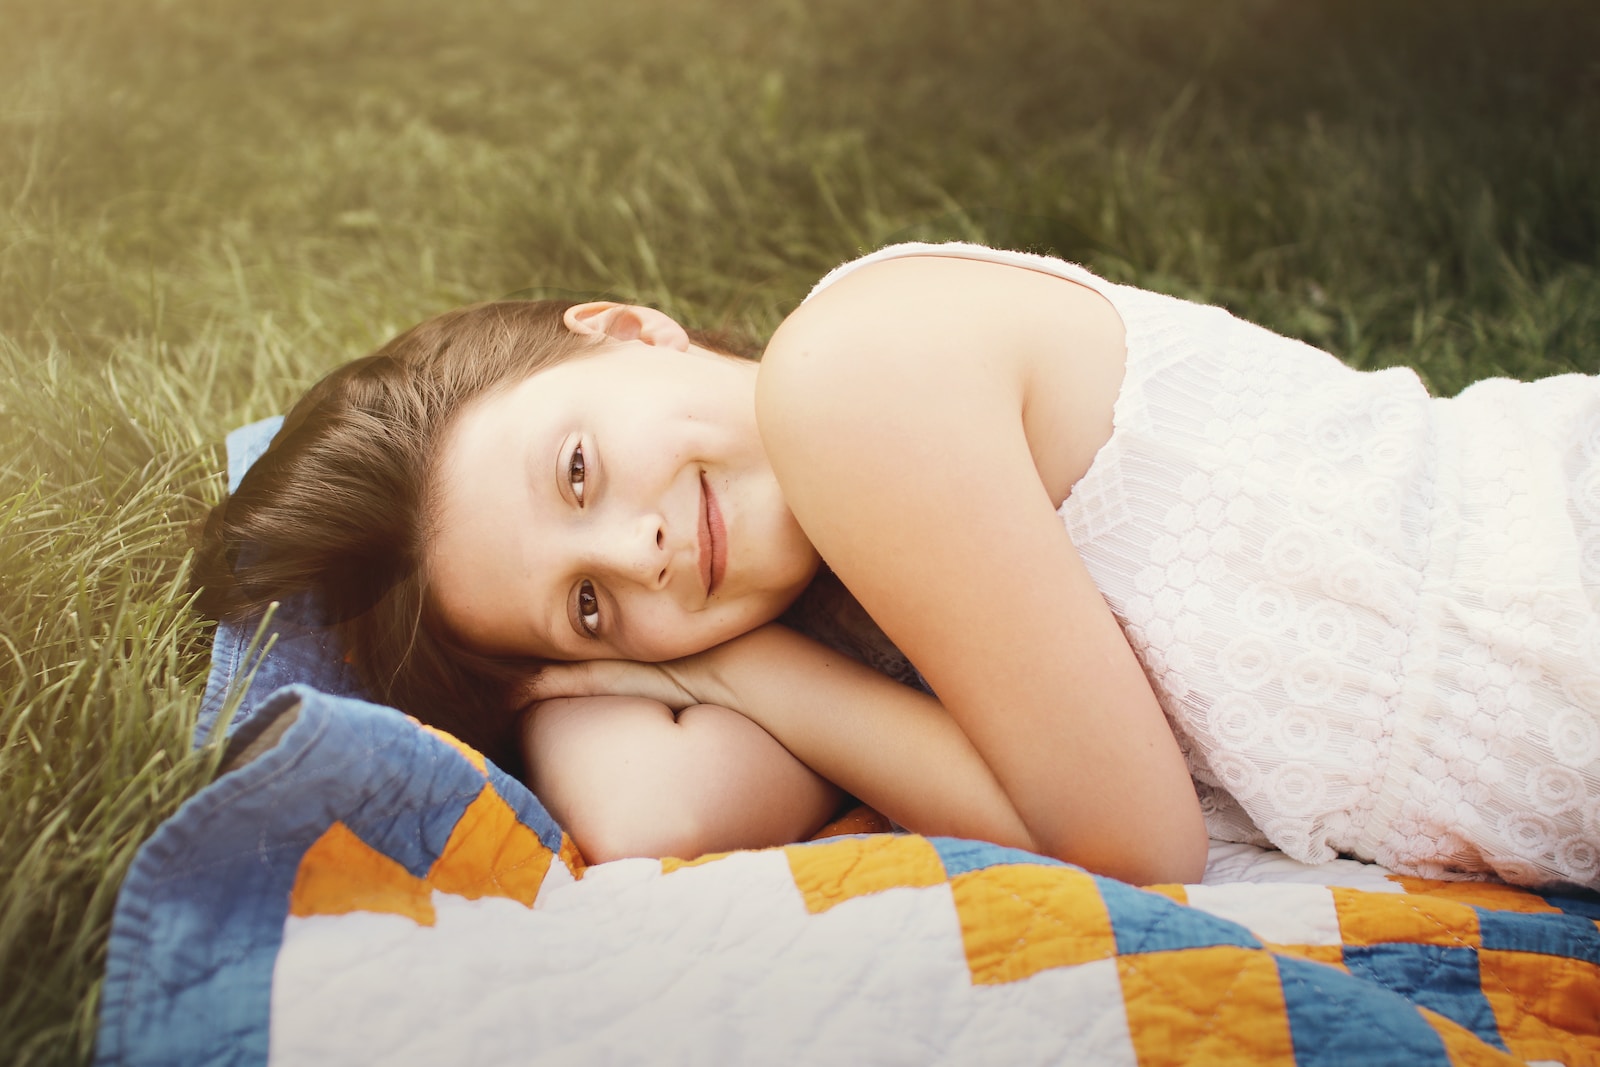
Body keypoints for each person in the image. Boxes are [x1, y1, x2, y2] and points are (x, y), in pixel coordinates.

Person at [196, 242, 1600, 889]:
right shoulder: (864, 618)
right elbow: (653, 823)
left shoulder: (852, 380)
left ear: (627, 328)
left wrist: (724, 661)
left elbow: (1135, 849)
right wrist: (578, 665)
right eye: (587, 601)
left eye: (576, 469)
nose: (643, 552)